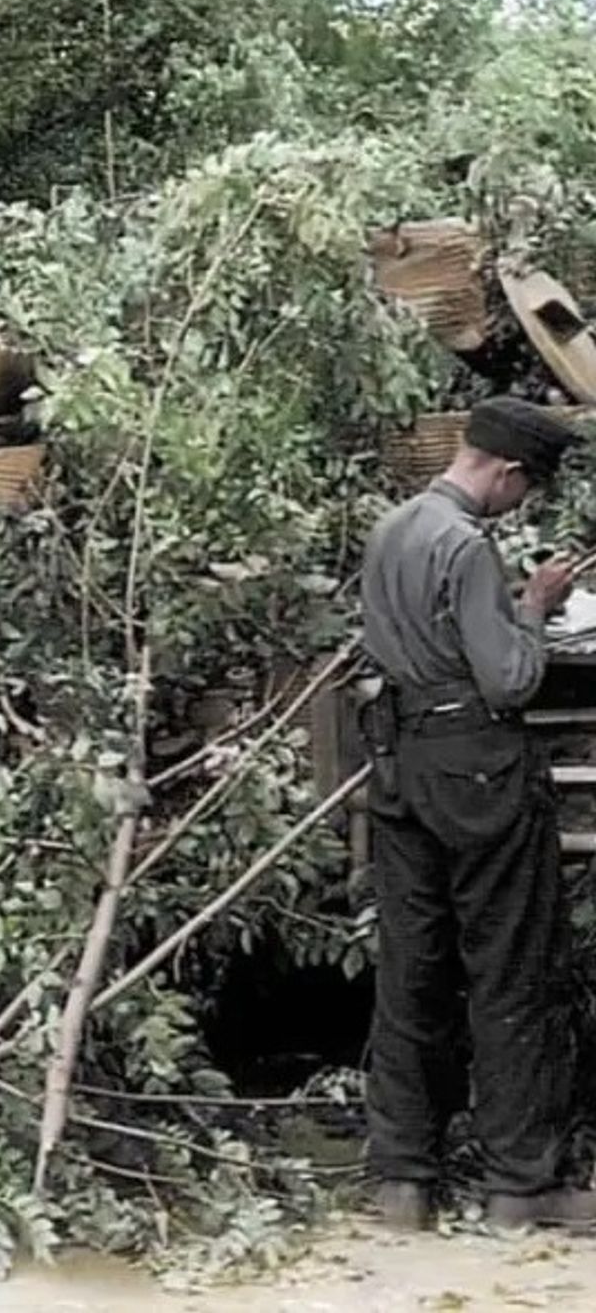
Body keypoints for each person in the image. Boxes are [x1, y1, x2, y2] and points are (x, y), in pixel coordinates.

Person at [360, 395, 592, 1231]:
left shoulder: (391, 528)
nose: (521, 505)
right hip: (480, 776)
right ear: (507, 471)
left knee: (412, 972)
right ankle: (518, 1192)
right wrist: (532, 605)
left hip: (398, 766)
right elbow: (511, 681)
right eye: (524, 491)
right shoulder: (467, 546)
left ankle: (403, 1184)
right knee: (511, 974)